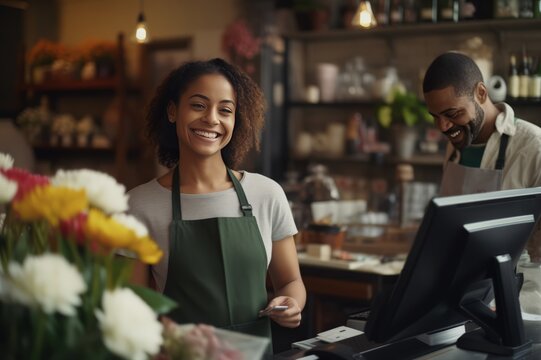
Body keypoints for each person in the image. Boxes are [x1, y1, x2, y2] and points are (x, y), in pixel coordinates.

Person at [124, 58, 306, 350]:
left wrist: (291, 303)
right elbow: (134, 308)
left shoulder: (266, 194)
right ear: (173, 111)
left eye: (225, 110)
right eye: (198, 105)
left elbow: (290, 282)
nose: (212, 119)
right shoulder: (140, 205)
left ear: (236, 120)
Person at [422, 51, 541, 262]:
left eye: (453, 114)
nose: (443, 126)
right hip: (459, 282)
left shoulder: (534, 146)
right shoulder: (455, 147)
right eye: (436, 117)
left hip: (520, 288)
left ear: (481, 93)